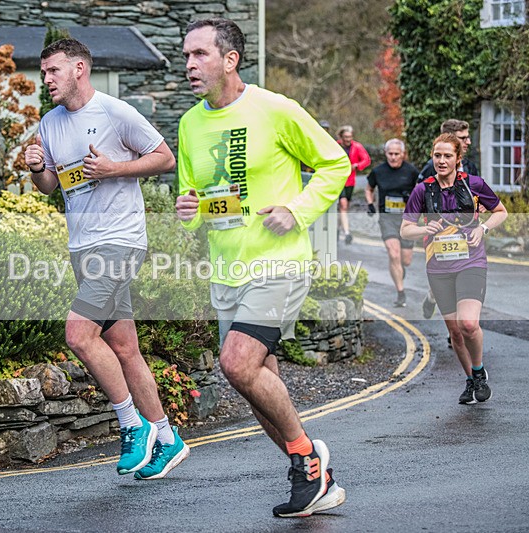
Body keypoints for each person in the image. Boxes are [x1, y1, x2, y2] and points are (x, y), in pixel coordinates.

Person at [176, 18, 349, 517]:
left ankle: (308, 459)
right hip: (226, 272)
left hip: (278, 264)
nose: (189, 65)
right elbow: (197, 200)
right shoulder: (189, 125)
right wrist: (189, 211)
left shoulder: (275, 109)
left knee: (236, 362)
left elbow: (335, 163)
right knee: (253, 380)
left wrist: (296, 209)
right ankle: (314, 476)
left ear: (230, 59)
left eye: (200, 54)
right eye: (186, 56)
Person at [24, 38, 189, 480]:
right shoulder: (50, 123)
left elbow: (165, 158)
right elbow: (51, 186)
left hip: (120, 241)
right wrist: (38, 167)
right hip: (83, 247)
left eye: (54, 70)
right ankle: (167, 437)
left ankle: (132, 425)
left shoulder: (116, 112)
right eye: (44, 72)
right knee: (124, 349)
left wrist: (116, 168)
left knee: (79, 334)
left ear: (79, 68)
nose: (46, 79)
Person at [401, 133, 507, 405]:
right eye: (437, 155)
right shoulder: (422, 190)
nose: (441, 160)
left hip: (471, 262)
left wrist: (482, 229)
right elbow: (405, 230)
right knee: (455, 333)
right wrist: (425, 229)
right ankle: (471, 380)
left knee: (468, 324)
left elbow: (501, 212)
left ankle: (479, 371)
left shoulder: (474, 184)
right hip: (439, 268)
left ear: (458, 159)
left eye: (448, 156)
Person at [418, 119, 480, 322]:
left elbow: (476, 195)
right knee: (446, 280)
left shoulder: (470, 166)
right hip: (440, 235)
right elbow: (418, 197)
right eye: (463, 138)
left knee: (465, 280)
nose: (468, 142)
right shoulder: (432, 168)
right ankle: (432, 297)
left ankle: (459, 329)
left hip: (466, 233)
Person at [365, 138, 419, 307]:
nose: (393, 157)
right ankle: (400, 293)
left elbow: (421, 191)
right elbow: (369, 188)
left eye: (397, 154)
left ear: (403, 154)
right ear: (385, 153)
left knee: (405, 260)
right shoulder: (378, 171)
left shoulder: (411, 171)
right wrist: (370, 203)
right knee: (393, 253)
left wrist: (412, 199)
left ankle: (399, 269)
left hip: (407, 219)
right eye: (390, 154)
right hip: (387, 218)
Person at [336, 125, 371, 244]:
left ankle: (337, 229)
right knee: (343, 205)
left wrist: (357, 165)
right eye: (346, 137)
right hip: (337, 180)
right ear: (341, 136)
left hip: (350, 181)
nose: (348, 139)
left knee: (344, 208)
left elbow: (366, 160)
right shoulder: (336, 145)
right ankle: (347, 233)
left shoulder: (357, 146)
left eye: (350, 137)